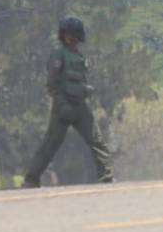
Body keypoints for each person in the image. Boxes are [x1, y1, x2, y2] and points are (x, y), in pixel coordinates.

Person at [22, 16, 114, 187]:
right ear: (62, 35)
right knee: (50, 144)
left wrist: (86, 90)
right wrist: (61, 103)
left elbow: (78, 81)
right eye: (67, 33)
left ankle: (106, 176)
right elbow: (52, 83)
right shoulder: (58, 55)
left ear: (79, 35)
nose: (70, 37)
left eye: (74, 33)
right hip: (63, 107)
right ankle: (31, 179)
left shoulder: (78, 56)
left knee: (96, 141)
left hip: (79, 106)